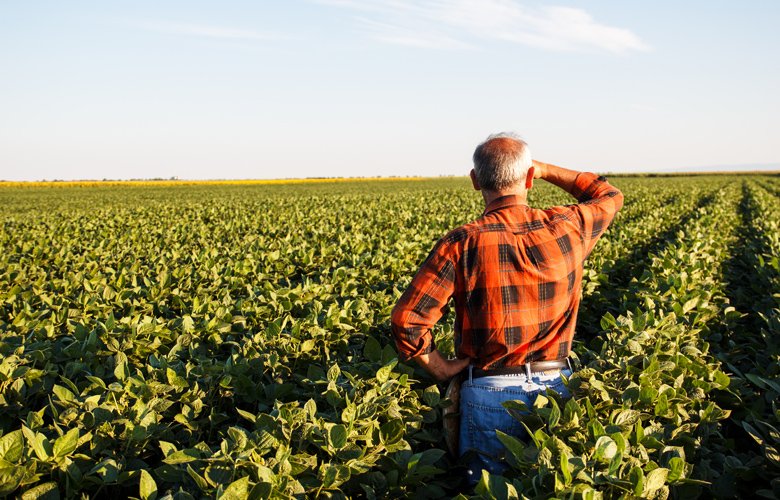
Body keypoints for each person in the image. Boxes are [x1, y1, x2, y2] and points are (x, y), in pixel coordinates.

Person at [390, 132, 623, 482]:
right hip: (556, 390)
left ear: (475, 180)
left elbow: (408, 321)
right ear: (529, 178)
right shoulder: (568, 226)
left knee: (489, 490)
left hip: (488, 392)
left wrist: (439, 367)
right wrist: (546, 170)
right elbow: (609, 195)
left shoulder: (461, 242)